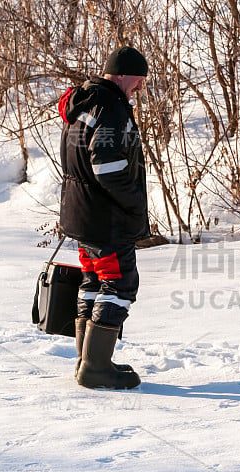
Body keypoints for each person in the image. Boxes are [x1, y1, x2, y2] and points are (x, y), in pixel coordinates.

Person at [58, 46, 150, 389]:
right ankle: (95, 367)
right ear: (124, 74)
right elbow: (107, 167)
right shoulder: (111, 108)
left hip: (82, 214)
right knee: (119, 284)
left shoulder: (83, 103)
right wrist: (134, 204)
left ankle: (88, 361)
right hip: (106, 219)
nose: (139, 87)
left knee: (95, 282)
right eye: (139, 80)